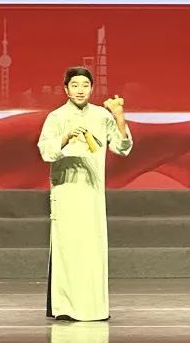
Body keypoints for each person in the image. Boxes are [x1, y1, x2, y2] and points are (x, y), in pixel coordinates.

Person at [37, 66, 133, 321]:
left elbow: (122, 147)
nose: (80, 90)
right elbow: (46, 151)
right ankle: (66, 307)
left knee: (92, 248)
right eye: (75, 85)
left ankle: (94, 307)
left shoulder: (101, 116)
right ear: (66, 89)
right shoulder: (56, 117)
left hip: (92, 191)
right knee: (68, 248)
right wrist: (66, 137)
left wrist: (119, 116)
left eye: (85, 85)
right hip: (67, 190)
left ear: (91, 88)